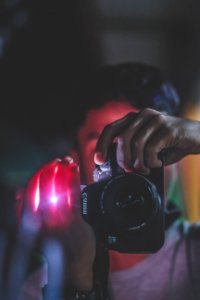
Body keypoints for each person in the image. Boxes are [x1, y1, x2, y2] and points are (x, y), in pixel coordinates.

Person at [17, 62, 200, 300]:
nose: (126, 169)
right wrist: (79, 275)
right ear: (76, 162)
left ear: (177, 159)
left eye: (145, 147)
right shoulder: (41, 286)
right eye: (105, 153)